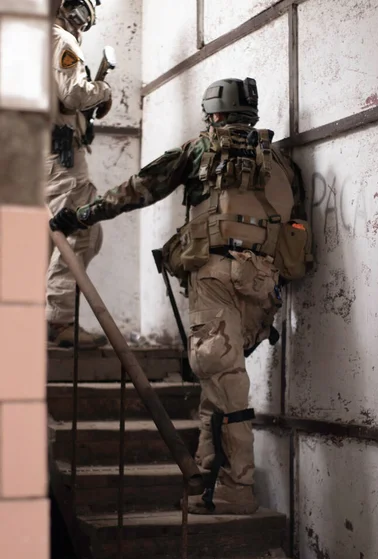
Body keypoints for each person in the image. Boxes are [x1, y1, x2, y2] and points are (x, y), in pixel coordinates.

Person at [49, 78, 312, 513]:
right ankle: (208, 478)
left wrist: (80, 216)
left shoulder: (200, 149)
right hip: (263, 285)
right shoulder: (281, 162)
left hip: (215, 278)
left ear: (213, 112)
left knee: (223, 380)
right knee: (221, 380)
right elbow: (295, 234)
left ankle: (236, 487)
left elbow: (137, 189)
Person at [47, 0, 112, 348]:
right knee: (81, 230)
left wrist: (83, 122)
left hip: (36, 148)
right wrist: (103, 90)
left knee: (50, 237)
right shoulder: (61, 40)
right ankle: (59, 321)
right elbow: (73, 93)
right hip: (59, 152)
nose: (82, 23)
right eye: (81, 13)